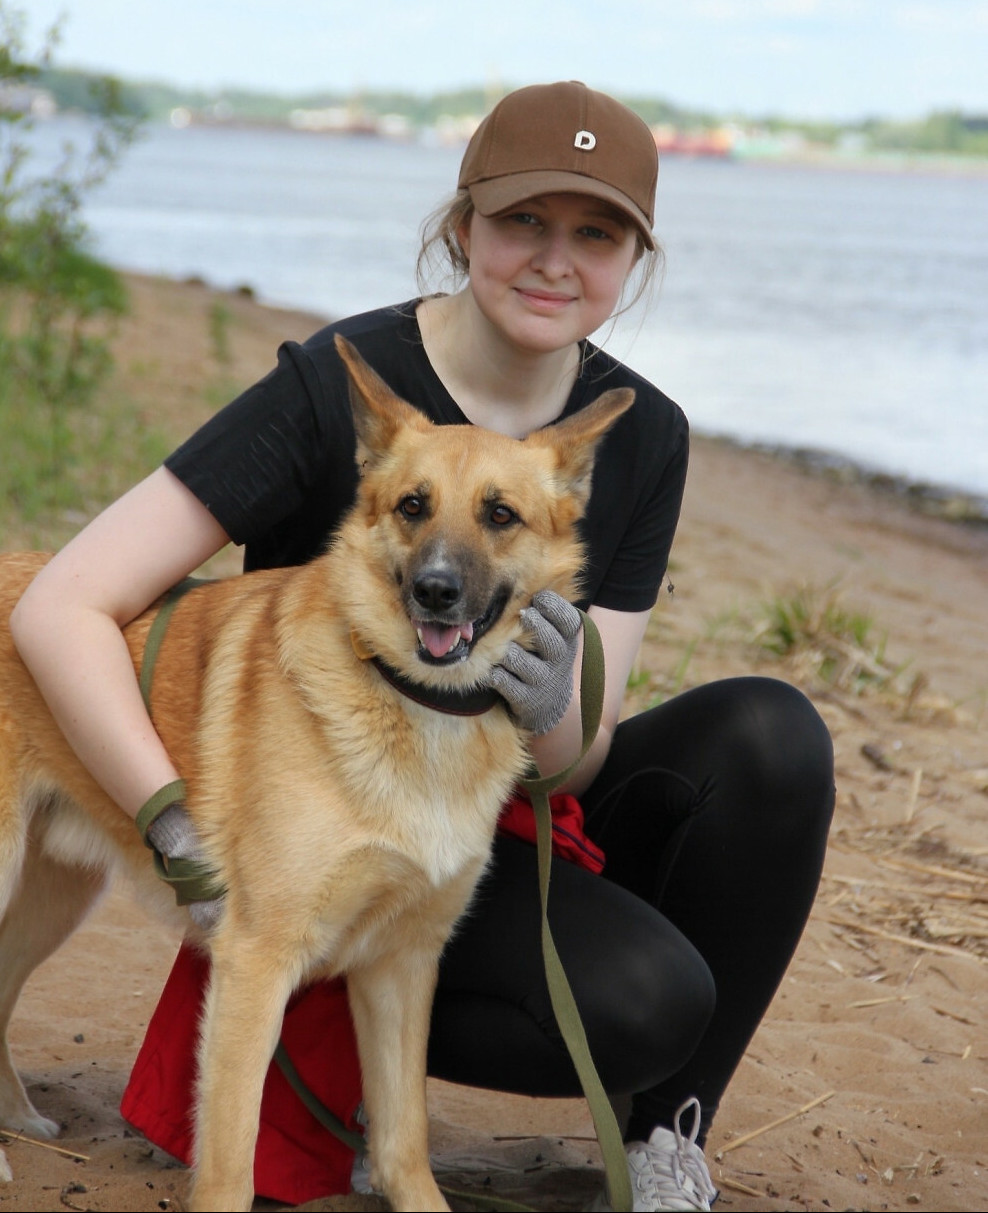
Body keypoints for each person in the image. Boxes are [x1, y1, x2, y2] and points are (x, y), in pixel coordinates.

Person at [11, 81, 835, 1212]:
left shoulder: (640, 432)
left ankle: (664, 1138)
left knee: (772, 735)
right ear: (462, 229)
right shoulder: (333, 385)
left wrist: (551, 700)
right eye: (521, 223)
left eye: (594, 234)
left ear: (632, 261)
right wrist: (169, 819)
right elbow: (59, 606)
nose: (554, 260)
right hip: (298, 794)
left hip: (483, 807)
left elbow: (572, 761)